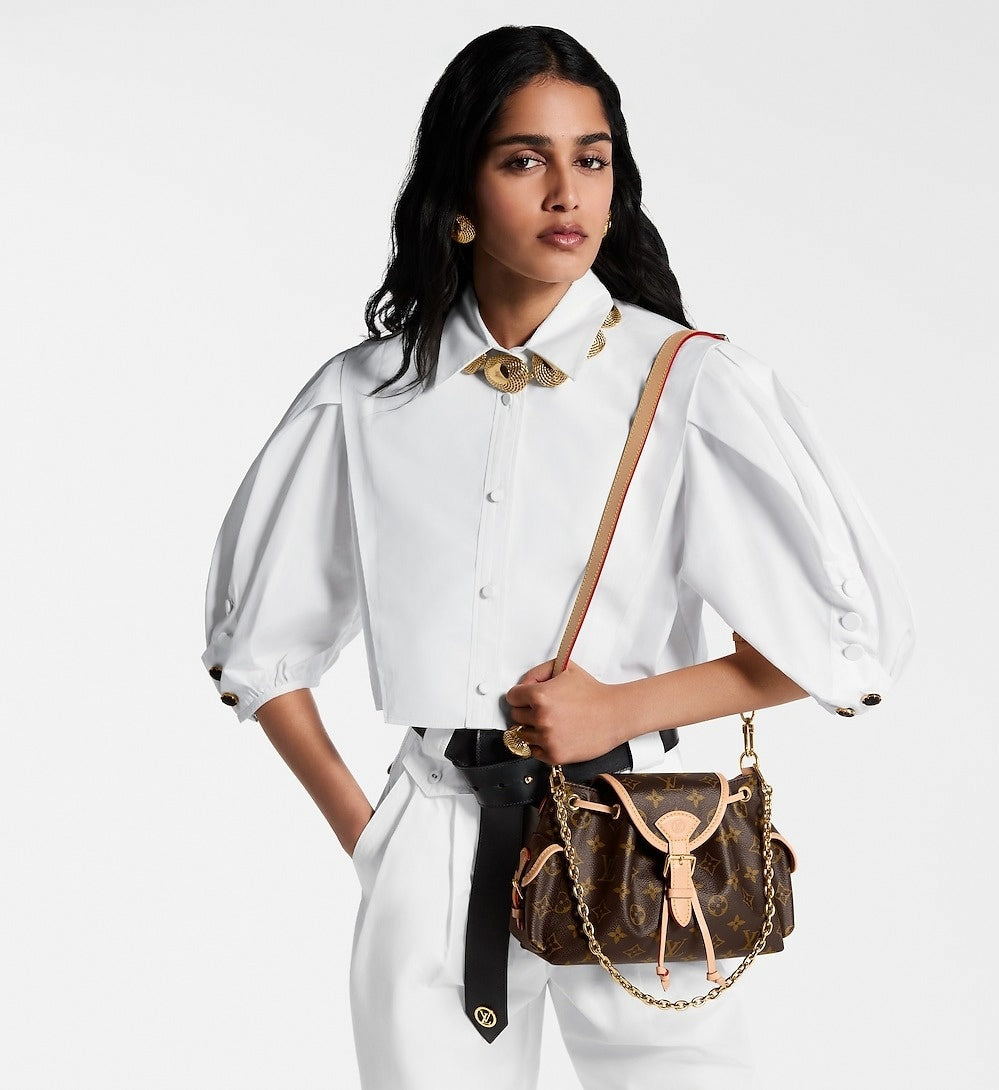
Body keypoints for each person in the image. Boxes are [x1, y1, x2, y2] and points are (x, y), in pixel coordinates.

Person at [199, 24, 915, 1090]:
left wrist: (619, 710)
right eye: (524, 159)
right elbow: (256, 650)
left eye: (592, 158)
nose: (566, 192)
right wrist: (376, 838)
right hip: (434, 833)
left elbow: (845, 646)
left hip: (646, 837)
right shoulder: (365, 395)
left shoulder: (686, 383)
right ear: (459, 188)